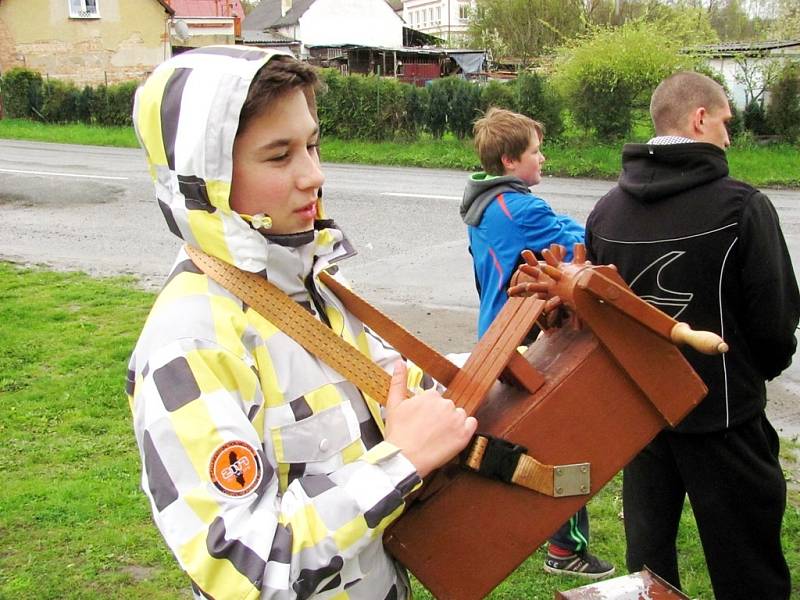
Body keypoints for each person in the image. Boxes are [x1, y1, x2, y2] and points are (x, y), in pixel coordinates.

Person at [126, 46, 476, 599]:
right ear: (204, 180)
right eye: (279, 155)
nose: (314, 175)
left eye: (312, 144)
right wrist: (401, 463)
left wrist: (522, 350)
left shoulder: (309, 284)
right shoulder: (190, 345)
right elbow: (250, 568)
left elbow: (403, 388)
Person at [585, 71, 799, 599]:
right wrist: (750, 376)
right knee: (748, 570)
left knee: (648, 567)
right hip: (725, 418)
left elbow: (600, 320)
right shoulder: (742, 207)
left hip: (644, 418)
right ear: (700, 118)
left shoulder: (605, 211)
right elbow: (776, 323)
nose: (730, 137)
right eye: (726, 123)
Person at [459, 107, 614, 579]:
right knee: (561, 439)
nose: (542, 158)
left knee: (532, 441)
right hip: (526, 337)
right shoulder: (520, 208)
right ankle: (566, 550)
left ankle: (552, 540)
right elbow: (584, 243)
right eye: (534, 151)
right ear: (509, 161)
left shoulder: (483, 207)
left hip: (499, 333)